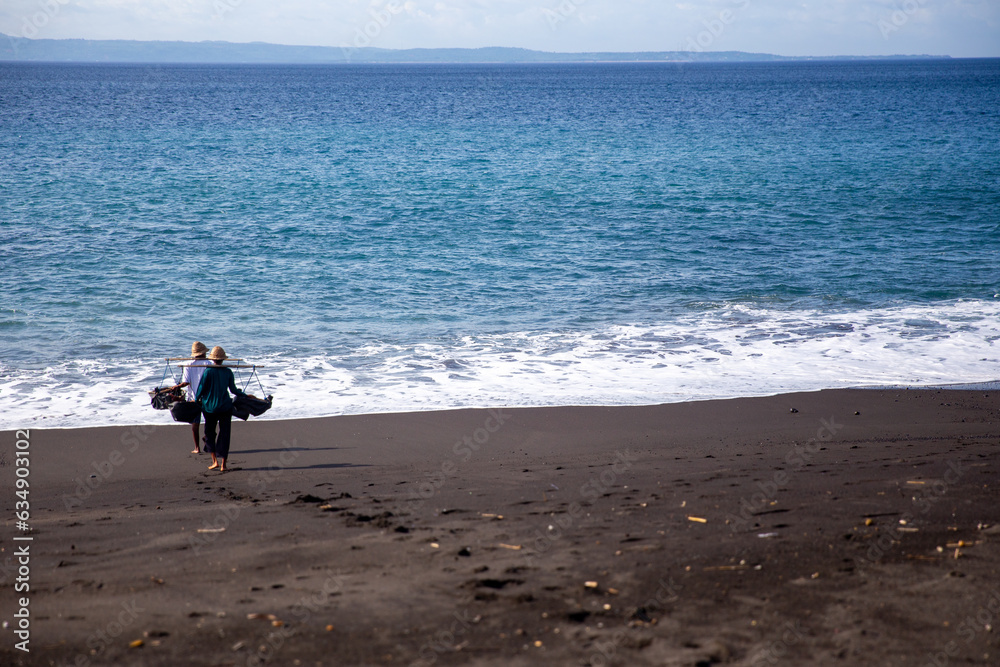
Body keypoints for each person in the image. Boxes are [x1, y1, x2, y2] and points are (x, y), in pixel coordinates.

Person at [196, 346, 246, 472]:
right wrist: (245, 395)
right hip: (225, 407)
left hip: (209, 408)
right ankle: (224, 465)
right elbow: (233, 390)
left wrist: (196, 399)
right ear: (223, 360)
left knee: (209, 433)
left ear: (213, 360)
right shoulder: (228, 372)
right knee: (225, 434)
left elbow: (201, 389)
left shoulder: (208, 371)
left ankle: (214, 462)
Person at [180, 342, 212, 454]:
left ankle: (197, 447)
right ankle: (207, 439)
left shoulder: (188, 364)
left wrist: (178, 386)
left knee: (195, 423)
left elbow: (186, 382)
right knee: (209, 421)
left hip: (193, 397)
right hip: (207, 397)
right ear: (203, 353)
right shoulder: (209, 363)